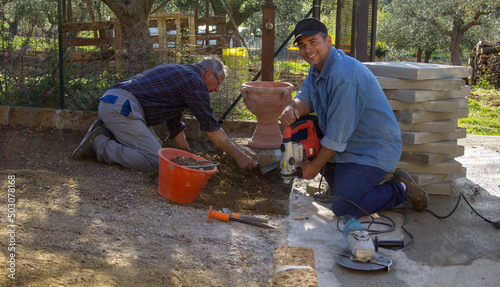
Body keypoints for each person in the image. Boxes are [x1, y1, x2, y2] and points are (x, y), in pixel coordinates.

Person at [280, 18, 429, 218]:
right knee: (305, 128)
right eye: (303, 46)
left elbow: (336, 136)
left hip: (372, 149)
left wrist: (314, 167)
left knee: (344, 207)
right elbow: (305, 98)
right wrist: (291, 108)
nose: (308, 50)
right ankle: (347, 186)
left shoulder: (344, 77)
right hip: (348, 145)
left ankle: (401, 189)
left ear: (328, 41)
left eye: (313, 42)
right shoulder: (318, 67)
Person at [72, 56, 258, 172]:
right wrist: (240, 156)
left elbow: (174, 124)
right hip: (123, 108)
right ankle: (99, 144)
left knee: (161, 151)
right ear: (209, 74)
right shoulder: (195, 82)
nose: (217, 89)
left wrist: (186, 155)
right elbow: (212, 129)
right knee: (157, 162)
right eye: (218, 83)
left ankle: (111, 132)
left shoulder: (181, 74)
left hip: (114, 103)